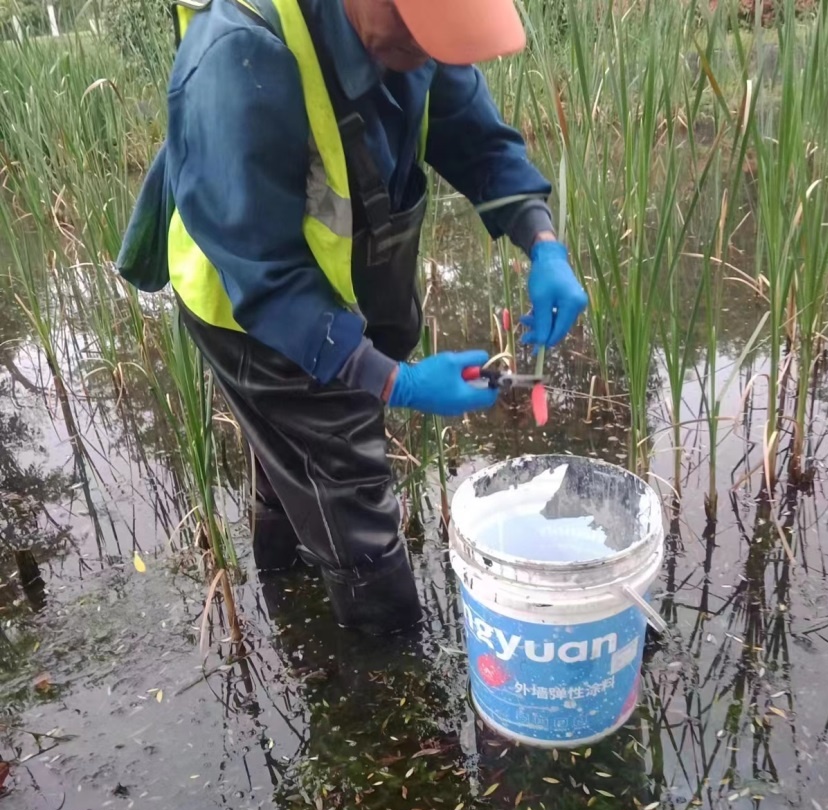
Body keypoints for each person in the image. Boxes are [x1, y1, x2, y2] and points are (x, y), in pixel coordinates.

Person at [116, 0, 588, 636]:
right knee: (350, 486)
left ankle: (289, 609)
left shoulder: (413, 35)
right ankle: (382, 689)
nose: (425, 58)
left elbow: (474, 136)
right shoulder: (240, 55)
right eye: (416, 38)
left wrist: (543, 242)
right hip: (248, 307)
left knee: (293, 467)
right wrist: (398, 382)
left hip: (337, 292)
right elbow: (267, 278)